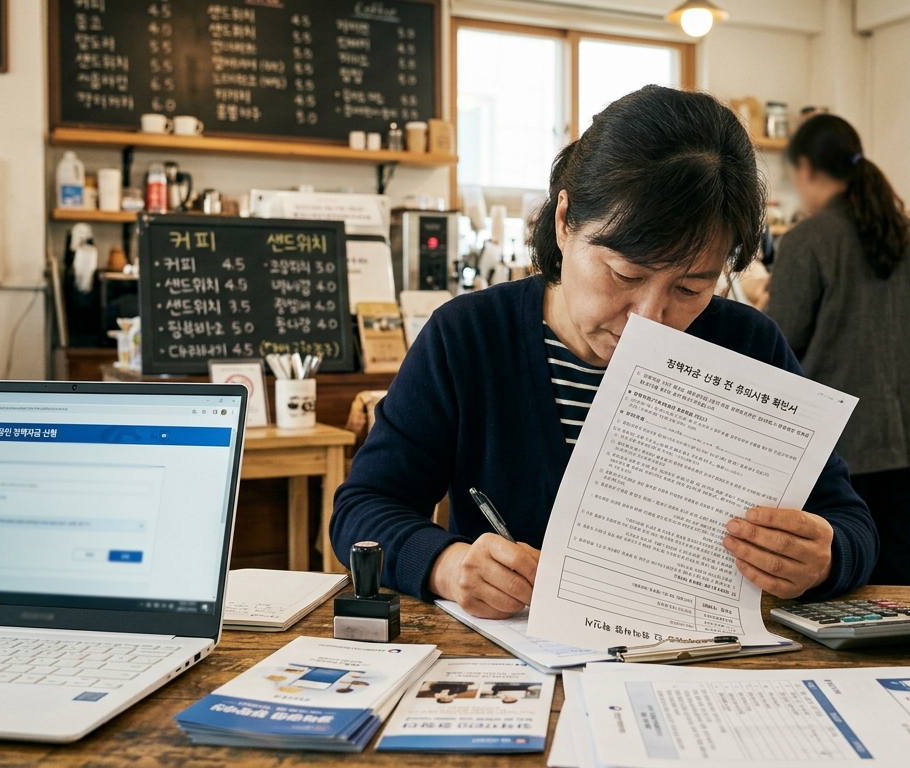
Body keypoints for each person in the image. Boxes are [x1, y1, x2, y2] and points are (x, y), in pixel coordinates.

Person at [332, 85, 877, 619]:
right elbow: (364, 507)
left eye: (690, 288)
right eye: (625, 275)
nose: (649, 319)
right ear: (564, 221)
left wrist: (825, 557)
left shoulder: (749, 347)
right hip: (514, 658)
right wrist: (447, 565)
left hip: (697, 655)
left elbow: (849, 522)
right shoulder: (468, 338)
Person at [762, 114, 910, 586]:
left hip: (842, 444)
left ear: (805, 167)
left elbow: (777, 342)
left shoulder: (806, 241)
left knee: (845, 576)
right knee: (899, 565)